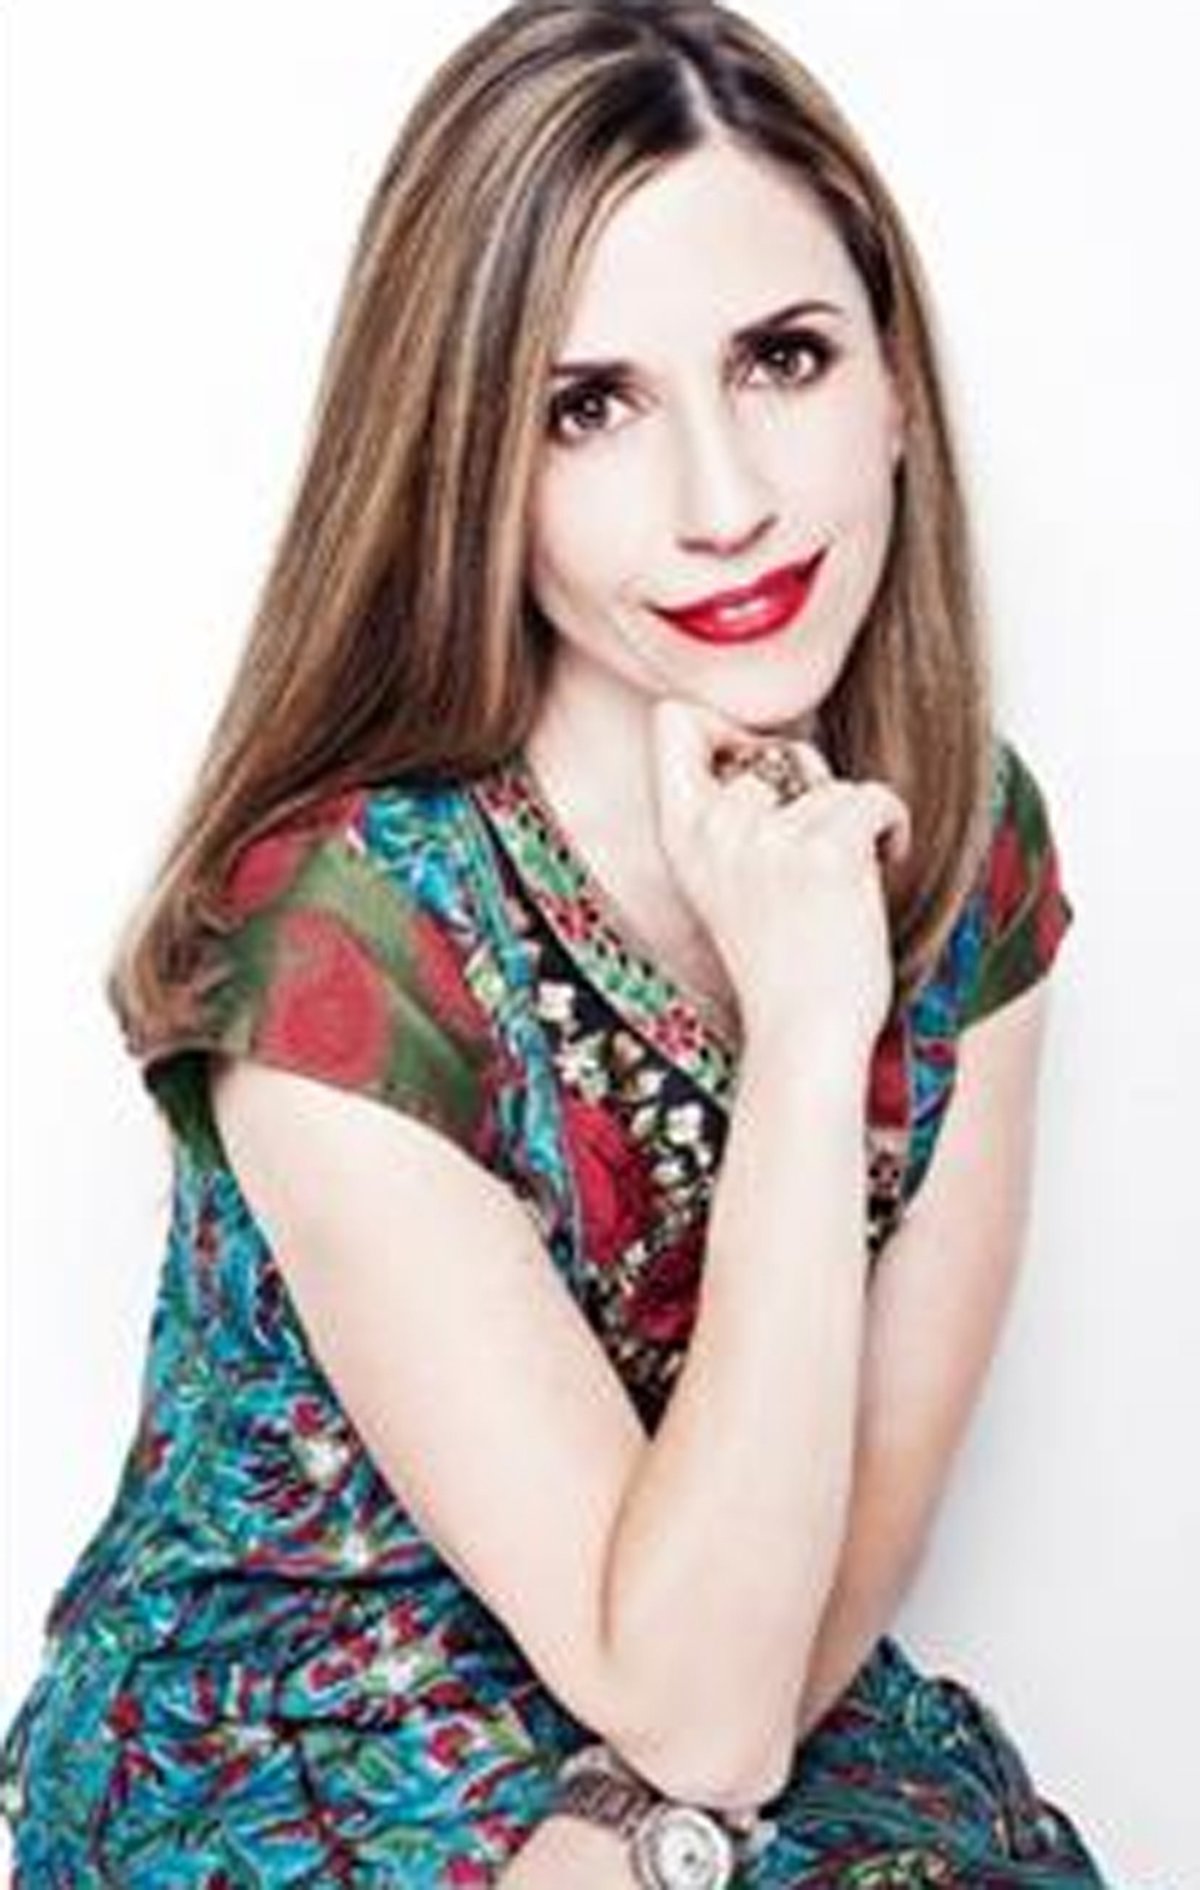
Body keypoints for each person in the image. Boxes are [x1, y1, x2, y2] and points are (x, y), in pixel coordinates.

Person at [0, 0, 1124, 1883]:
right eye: (588, 407)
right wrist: (810, 1034)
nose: (726, 502)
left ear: (898, 386)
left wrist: (647, 1817)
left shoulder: (962, 834)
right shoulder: (343, 931)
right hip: (299, 1736)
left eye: (782, 359)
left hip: (735, 1681)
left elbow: (808, 1603)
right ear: (474, 464)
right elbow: (685, 1691)